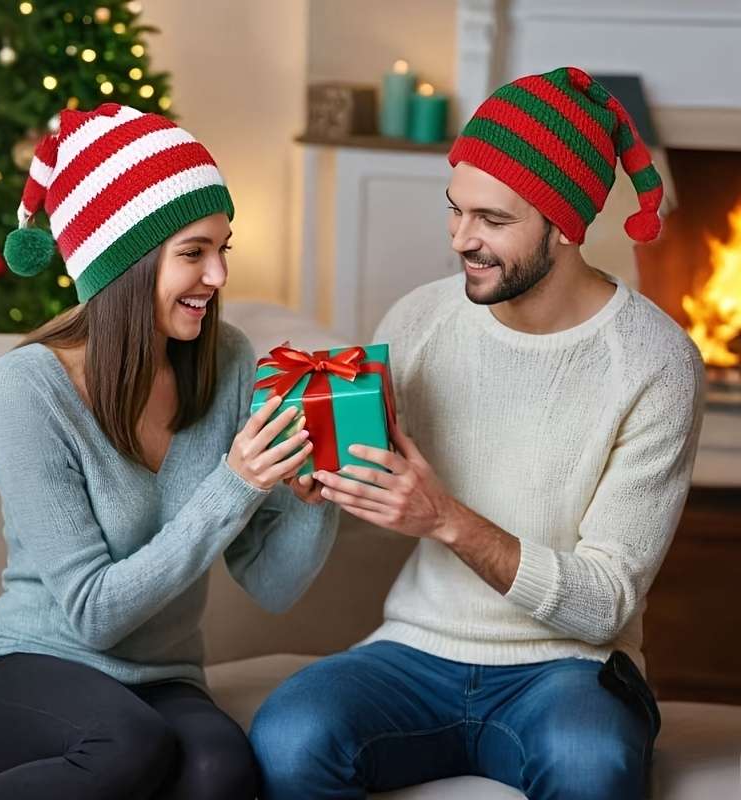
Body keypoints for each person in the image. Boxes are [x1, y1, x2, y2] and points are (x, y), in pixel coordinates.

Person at [250, 66, 705, 800]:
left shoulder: (655, 363)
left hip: (569, 669)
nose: (463, 239)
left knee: (593, 764)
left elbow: (605, 603)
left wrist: (449, 521)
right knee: (289, 733)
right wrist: (319, 486)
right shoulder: (419, 320)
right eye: (455, 211)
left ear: (564, 224)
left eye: (493, 221)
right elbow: (386, 496)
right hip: (415, 651)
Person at [0, 102, 338, 800]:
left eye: (224, 248)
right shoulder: (26, 388)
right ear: (121, 264)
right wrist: (235, 485)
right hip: (26, 670)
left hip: (162, 682)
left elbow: (271, 585)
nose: (218, 277)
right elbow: (94, 614)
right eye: (193, 253)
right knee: (127, 746)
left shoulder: (230, 360)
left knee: (227, 775)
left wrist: (316, 494)